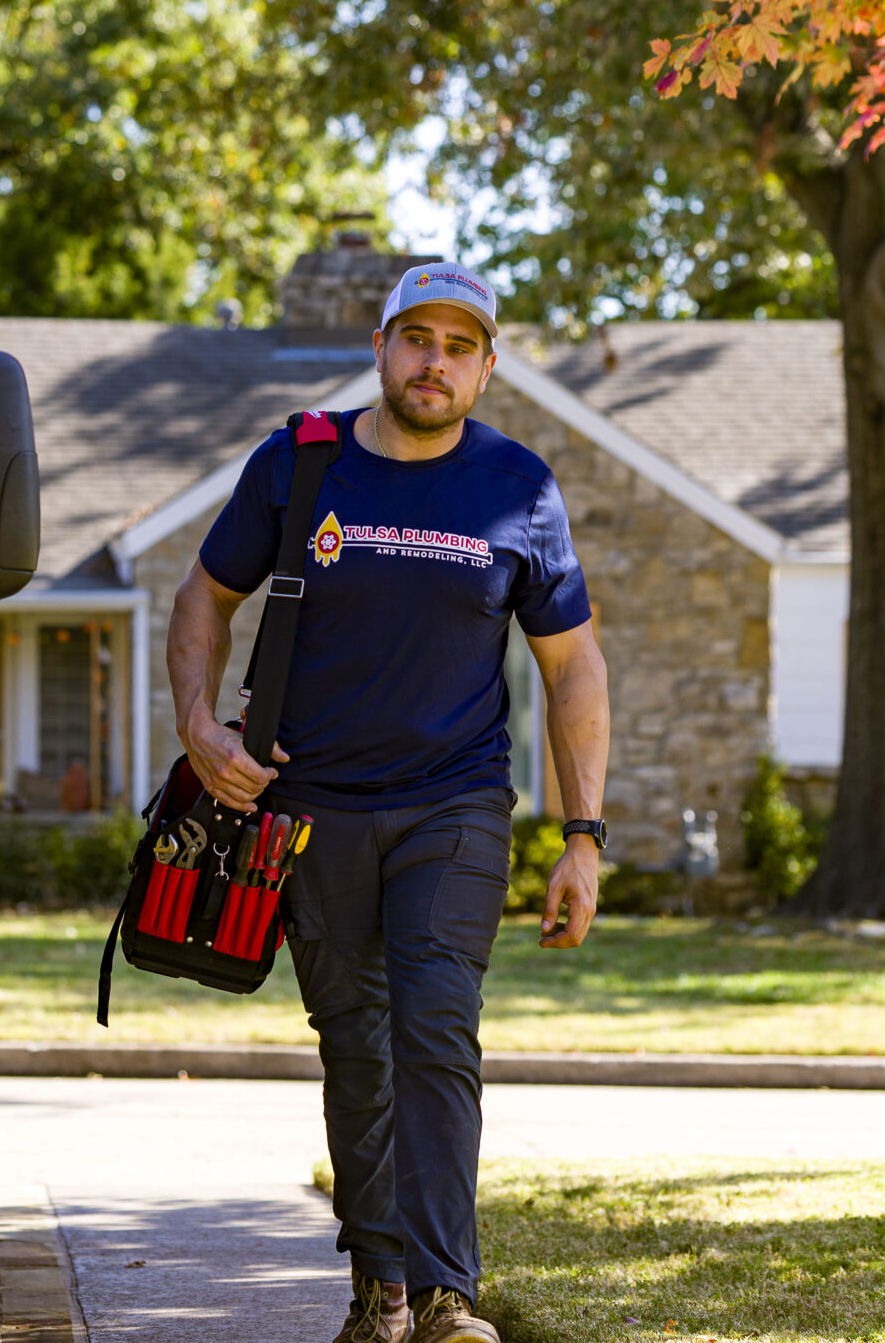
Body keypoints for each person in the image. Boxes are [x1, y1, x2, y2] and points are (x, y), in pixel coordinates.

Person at [167, 261, 612, 1343]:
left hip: (454, 804)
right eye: (418, 338)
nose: (435, 362)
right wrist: (199, 725)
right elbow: (200, 597)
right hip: (308, 809)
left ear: (488, 368)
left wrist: (582, 836)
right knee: (353, 1041)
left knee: (434, 1025)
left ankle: (449, 1295)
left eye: (460, 346)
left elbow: (574, 668)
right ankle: (380, 1289)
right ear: (379, 347)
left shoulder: (519, 487)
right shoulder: (299, 464)